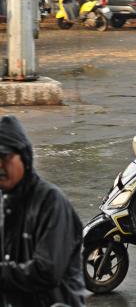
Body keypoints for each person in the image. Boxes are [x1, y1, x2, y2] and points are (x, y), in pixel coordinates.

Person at [0, 116, 85, 307]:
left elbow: (46, 271)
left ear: (24, 156)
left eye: (5, 157)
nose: (0, 166)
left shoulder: (51, 202)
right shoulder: (4, 202)